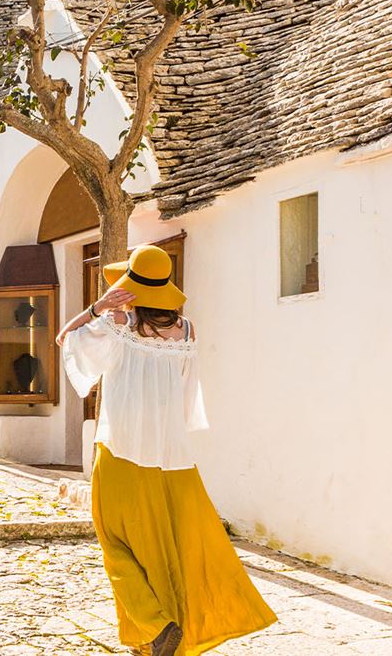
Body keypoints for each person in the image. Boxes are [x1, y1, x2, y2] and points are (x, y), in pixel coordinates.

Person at [57, 245, 276, 656]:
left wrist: (96, 307)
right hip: (172, 455)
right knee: (166, 545)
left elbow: (64, 338)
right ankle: (158, 637)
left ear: (131, 287)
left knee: (117, 544)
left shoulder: (117, 322)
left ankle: (156, 628)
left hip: (121, 449)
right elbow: (188, 392)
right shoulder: (188, 331)